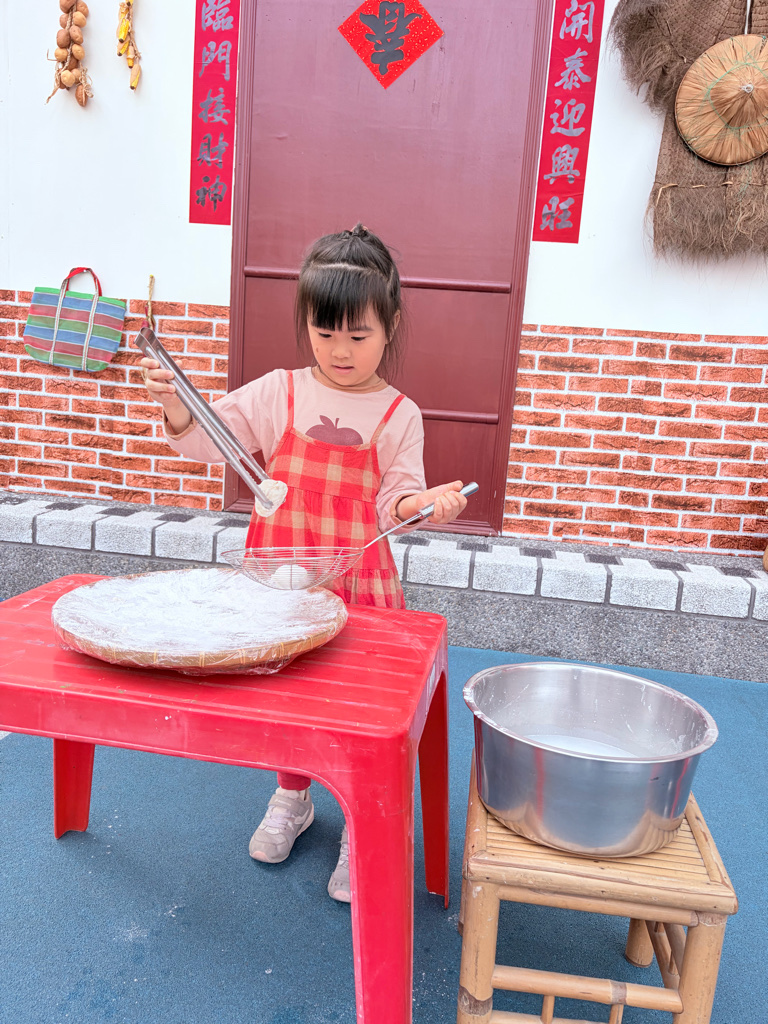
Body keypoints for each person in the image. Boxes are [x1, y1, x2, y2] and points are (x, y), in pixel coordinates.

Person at [139, 224, 468, 902]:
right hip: (282, 578)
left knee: (355, 700)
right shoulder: (278, 392)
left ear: (390, 326)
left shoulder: (399, 414)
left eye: (359, 335)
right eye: (325, 333)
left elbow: (394, 503)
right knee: (289, 692)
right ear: (306, 324)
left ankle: (356, 819)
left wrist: (424, 503)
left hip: (358, 580)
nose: (341, 351)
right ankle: (293, 796)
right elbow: (208, 442)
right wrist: (175, 406)